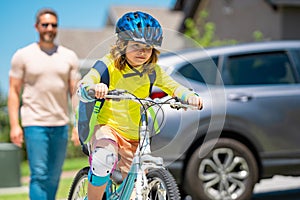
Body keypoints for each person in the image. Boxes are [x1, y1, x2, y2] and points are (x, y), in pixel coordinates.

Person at [76, 11, 203, 200]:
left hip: (135, 135)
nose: (142, 52)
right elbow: (85, 84)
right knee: (104, 159)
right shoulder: (107, 65)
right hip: (107, 128)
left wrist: (189, 96)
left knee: (138, 187)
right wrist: (95, 87)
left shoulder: (153, 71)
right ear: (122, 45)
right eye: (136, 45)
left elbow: (174, 86)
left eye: (148, 47)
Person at [8, 8, 80, 200]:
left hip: (60, 124)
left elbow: (75, 93)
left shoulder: (68, 56)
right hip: (34, 123)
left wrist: (78, 124)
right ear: (37, 26)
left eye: (53, 25)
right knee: (39, 174)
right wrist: (15, 125)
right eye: (45, 24)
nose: (49, 28)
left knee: (54, 176)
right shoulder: (22, 55)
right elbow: (14, 92)